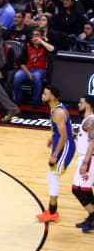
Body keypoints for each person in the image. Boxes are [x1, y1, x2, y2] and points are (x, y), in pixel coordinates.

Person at [38, 84, 75, 223]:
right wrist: (52, 138)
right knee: (51, 174)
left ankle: (53, 212)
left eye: (45, 93)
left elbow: (65, 136)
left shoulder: (58, 112)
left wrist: (54, 155)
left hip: (64, 147)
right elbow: (62, 131)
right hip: (60, 143)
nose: (43, 95)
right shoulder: (55, 107)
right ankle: (52, 210)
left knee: (53, 176)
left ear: (52, 96)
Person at [72, 97, 94, 232]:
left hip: (89, 159)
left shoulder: (91, 120)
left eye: (81, 103)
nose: (79, 104)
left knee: (77, 190)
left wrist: (85, 163)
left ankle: (93, 216)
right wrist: (73, 135)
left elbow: (92, 142)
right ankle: (91, 219)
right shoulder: (87, 120)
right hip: (86, 158)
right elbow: (85, 140)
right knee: (85, 191)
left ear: (89, 105)